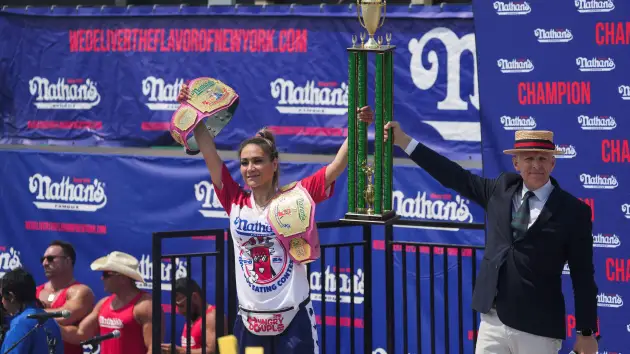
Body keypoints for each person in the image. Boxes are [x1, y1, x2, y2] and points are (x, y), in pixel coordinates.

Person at [176, 84, 374, 354]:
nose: (250, 169)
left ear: (274, 163)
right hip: (249, 323)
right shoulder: (234, 200)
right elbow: (209, 152)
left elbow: (336, 167)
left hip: (292, 321)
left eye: (257, 161)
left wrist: (358, 127)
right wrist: (193, 110)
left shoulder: (295, 198)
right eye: (244, 163)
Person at [382, 122, 598, 354]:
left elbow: (583, 276)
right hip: (493, 321)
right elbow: (453, 175)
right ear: (516, 163)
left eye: (542, 158)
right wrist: (404, 141)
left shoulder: (574, 212)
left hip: (539, 327)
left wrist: (586, 332)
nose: (536, 165)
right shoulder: (499, 190)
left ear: (552, 163)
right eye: (528, 158)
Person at [59, 251, 164, 354]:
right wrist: (48, 323)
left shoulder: (146, 306)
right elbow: (80, 334)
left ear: (122, 278)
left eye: (106, 274)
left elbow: (154, 349)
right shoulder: (104, 303)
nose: (102, 278)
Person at [36, 240, 95, 354]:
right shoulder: (36, 291)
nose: (44, 263)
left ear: (68, 261)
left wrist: (30, 314)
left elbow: (65, 316)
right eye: (42, 259)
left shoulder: (81, 291)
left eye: (50, 259)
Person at [0, 267, 64, 354]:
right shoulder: (51, 320)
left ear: (11, 297)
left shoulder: (20, 323)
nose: (2, 302)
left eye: (1, 297)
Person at [161, 277, 227, 354]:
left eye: (181, 305)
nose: (179, 311)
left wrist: (180, 351)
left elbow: (212, 351)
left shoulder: (211, 317)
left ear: (194, 297)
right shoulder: (192, 317)